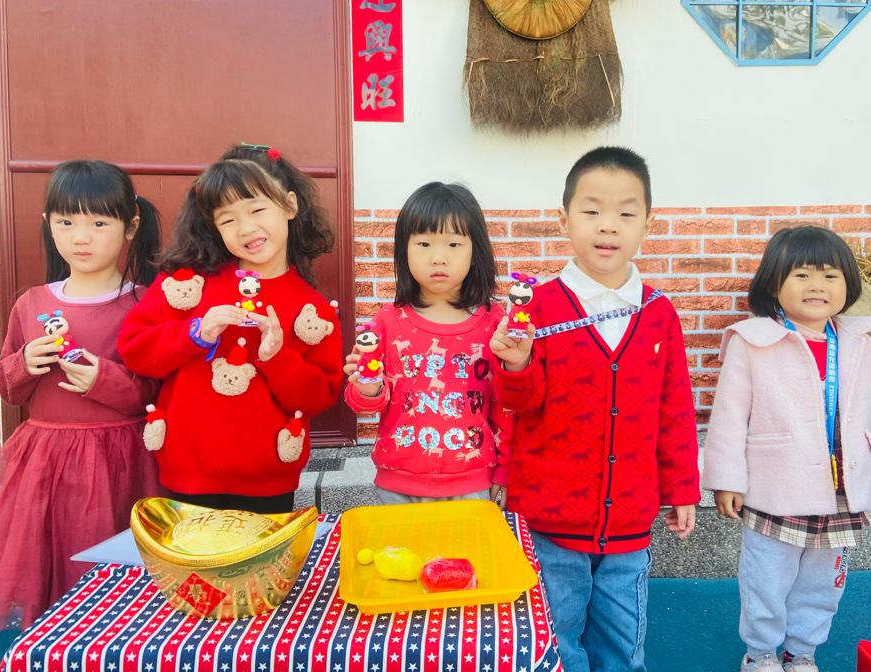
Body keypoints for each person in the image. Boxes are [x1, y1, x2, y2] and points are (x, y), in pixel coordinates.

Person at [490, 147, 700, 672]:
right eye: (591, 211)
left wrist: (681, 489)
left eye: (626, 213)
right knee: (552, 641)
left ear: (648, 223)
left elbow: (674, 408)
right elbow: (519, 402)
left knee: (622, 644)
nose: (608, 226)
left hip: (630, 517)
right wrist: (515, 365)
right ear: (563, 220)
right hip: (549, 518)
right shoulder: (535, 307)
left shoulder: (659, 313)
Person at [702, 225, 871, 672]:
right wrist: (726, 479)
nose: (817, 285)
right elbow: (730, 417)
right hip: (777, 487)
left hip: (842, 492)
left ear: (847, 286)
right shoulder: (752, 342)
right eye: (802, 275)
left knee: (822, 585)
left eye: (831, 276)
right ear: (773, 285)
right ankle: (760, 653)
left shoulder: (857, 343)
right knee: (765, 581)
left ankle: (802, 653)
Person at [0, 160, 162, 630]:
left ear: (131, 226)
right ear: (47, 224)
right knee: (49, 573)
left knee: (115, 579)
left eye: (99, 223)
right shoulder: (31, 303)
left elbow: (155, 393)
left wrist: (102, 379)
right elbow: (8, 390)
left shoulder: (145, 303)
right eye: (66, 222)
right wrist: (23, 362)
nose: (81, 237)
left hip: (120, 460)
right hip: (43, 462)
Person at [118, 145, 343, 515]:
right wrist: (195, 334)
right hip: (185, 472)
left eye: (257, 210)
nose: (246, 228)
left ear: (289, 205)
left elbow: (320, 397)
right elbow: (134, 350)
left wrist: (277, 358)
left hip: (269, 479)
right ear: (213, 227)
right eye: (227, 220)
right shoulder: (184, 285)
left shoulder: (314, 311)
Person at [344, 182, 513, 507]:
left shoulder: (495, 323)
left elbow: (505, 405)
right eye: (423, 243)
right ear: (404, 251)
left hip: (472, 484)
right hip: (398, 485)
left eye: (454, 243)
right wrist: (367, 387)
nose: (438, 258)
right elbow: (364, 404)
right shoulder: (386, 322)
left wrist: (503, 470)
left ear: (475, 252)